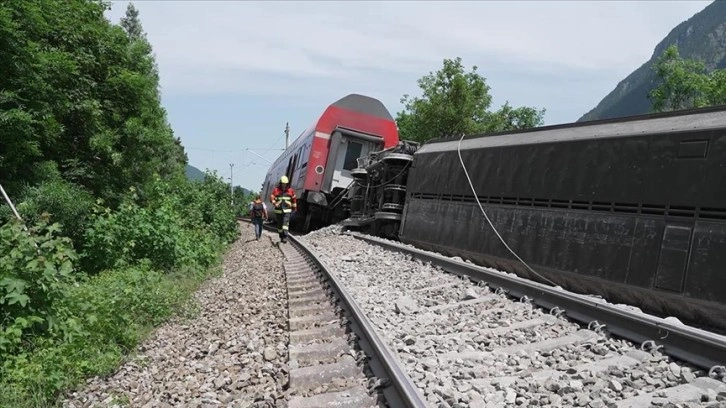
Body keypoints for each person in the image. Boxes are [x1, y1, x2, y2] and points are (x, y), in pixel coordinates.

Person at [269, 175, 297, 243]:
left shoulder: (290, 191)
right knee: (279, 225)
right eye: (283, 183)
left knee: (285, 223)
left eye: (285, 184)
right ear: (280, 183)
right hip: (278, 211)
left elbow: (294, 200)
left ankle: (285, 236)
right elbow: (271, 198)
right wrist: (275, 203)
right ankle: (281, 236)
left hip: (287, 210)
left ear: (287, 184)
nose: (284, 185)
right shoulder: (276, 190)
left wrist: (294, 208)